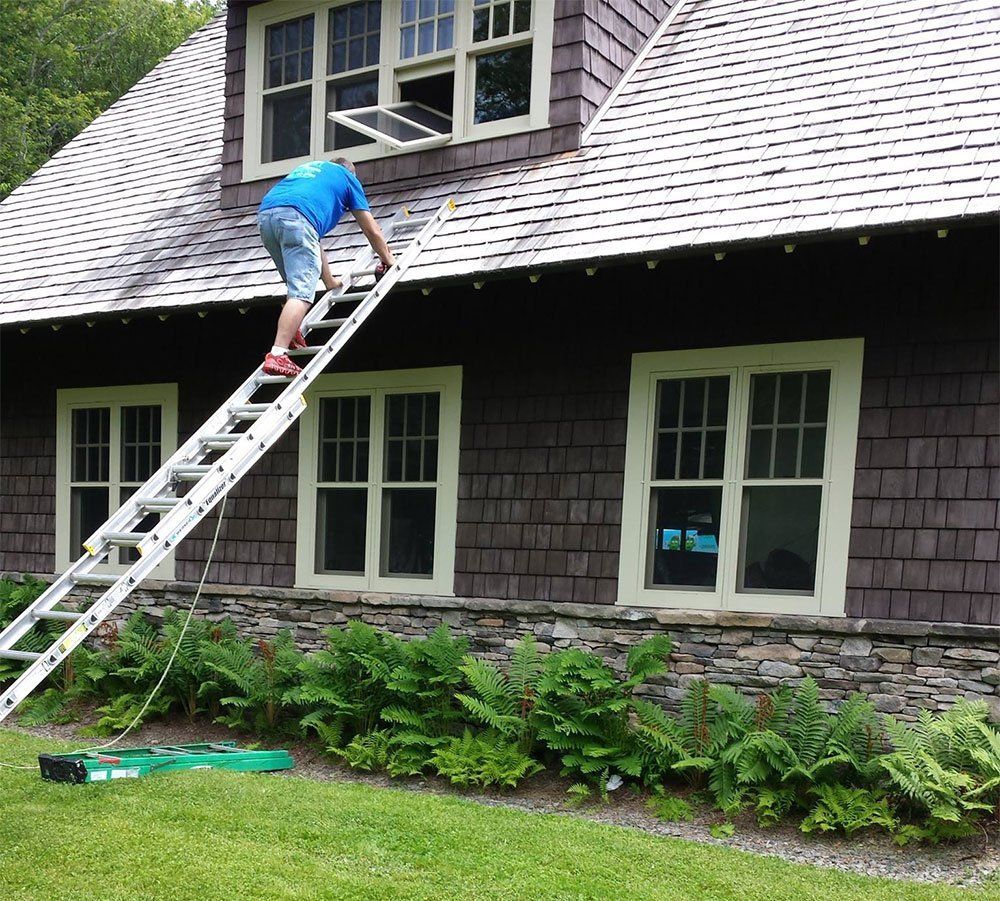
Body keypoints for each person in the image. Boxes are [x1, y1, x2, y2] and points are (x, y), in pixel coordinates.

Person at [257, 158, 396, 376]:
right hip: (297, 220)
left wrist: (329, 281)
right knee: (302, 293)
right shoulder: (348, 178)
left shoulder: (310, 170)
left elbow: (311, 239)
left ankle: (290, 329)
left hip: (267, 216)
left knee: (295, 286)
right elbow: (372, 230)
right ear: (351, 172)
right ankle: (278, 354)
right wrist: (389, 259)